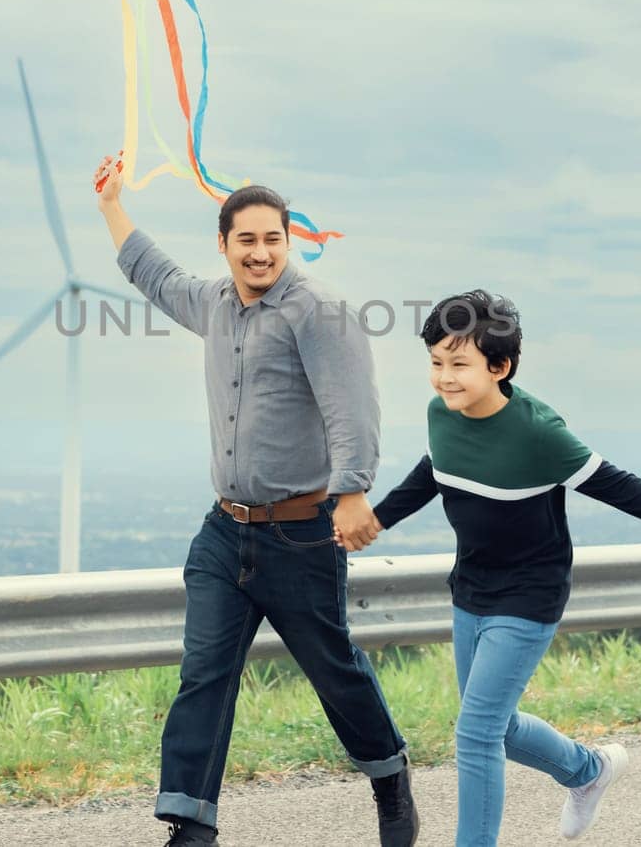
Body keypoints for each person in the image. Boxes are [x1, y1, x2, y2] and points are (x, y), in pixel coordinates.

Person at [94, 159, 418, 847]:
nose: (262, 251)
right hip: (225, 532)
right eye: (247, 239)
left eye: (273, 237)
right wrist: (112, 205)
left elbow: (351, 407)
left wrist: (353, 489)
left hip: (301, 534)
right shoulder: (213, 302)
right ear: (225, 244)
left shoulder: (317, 311)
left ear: (287, 238)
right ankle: (190, 824)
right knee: (203, 673)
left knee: (335, 670)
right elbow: (153, 274)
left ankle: (389, 774)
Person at [342, 290, 641, 846]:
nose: (444, 378)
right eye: (436, 362)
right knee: (497, 727)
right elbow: (434, 473)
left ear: (499, 367)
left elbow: (619, 487)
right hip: (470, 591)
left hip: (529, 595)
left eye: (459, 364)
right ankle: (588, 770)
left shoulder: (538, 432)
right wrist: (375, 520)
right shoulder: (443, 414)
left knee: (476, 733)